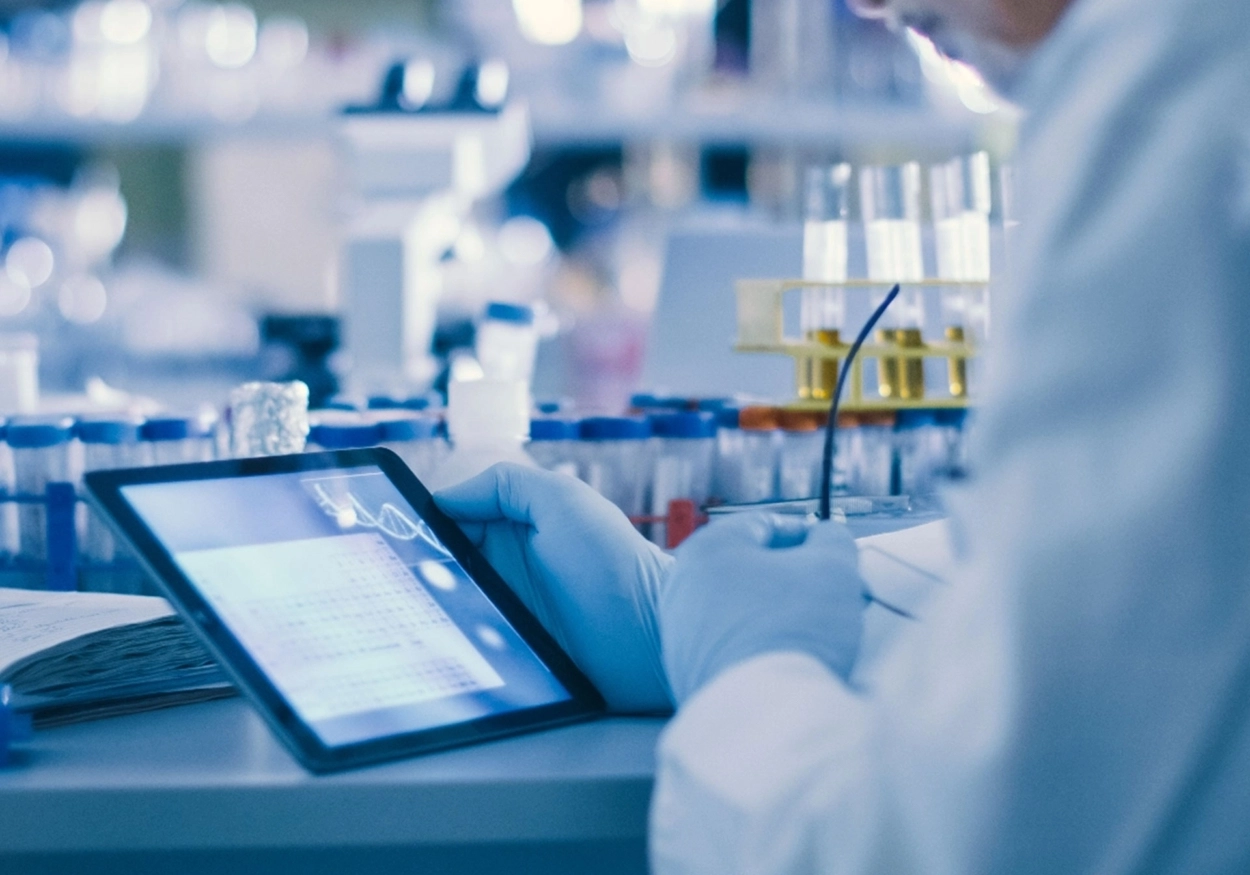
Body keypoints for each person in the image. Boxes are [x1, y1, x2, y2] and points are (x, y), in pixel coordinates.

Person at [436, 0, 1250, 869]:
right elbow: (1138, 635)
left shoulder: (1179, 96)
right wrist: (685, 620)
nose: (865, 7)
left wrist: (747, 679)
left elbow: (964, 839)